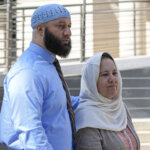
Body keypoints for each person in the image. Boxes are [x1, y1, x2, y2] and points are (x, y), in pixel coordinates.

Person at [0, 4, 79, 150]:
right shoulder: (28, 72)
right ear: (41, 30)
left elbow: (62, 104)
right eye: (61, 26)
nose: (68, 32)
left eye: (69, 26)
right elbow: (31, 133)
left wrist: (99, 100)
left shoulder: (48, 65)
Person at [75, 52, 140, 150]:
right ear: (92, 81)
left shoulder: (120, 108)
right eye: (105, 74)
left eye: (114, 73)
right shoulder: (86, 117)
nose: (112, 79)